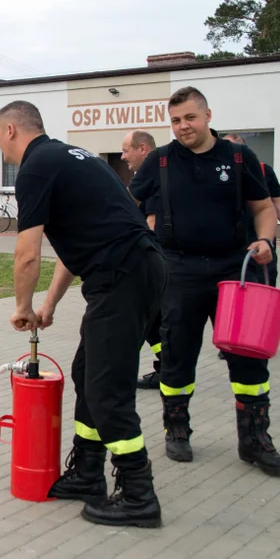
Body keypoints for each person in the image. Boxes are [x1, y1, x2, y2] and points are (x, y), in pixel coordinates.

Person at [2, 100, 167, 528]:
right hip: (136, 269)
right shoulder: (71, 156)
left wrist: (21, 307)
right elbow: (77, 245)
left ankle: (138, 495)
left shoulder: (36, 167)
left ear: (10, 131)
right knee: (86, 373)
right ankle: (89, 473)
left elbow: (27, 253)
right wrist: (50, 303)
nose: (1, 148)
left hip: (124, 275)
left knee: (107, 390)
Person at [130, 86, 280, 475]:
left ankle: (255, 441)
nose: (183, 126)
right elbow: (128, 205)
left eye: (190, 117)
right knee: (177, 355)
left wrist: (266, 239)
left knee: (248, 358)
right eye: (175, 121)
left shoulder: (239, 157)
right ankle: (177, 430)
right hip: (179, 270)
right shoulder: (161, 161)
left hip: (234, 271)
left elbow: (264, 206)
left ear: (207, 116)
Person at [224, 133, 280, 286]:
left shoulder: (262, 171)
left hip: (259, 243)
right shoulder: (216, 174)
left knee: (262, 287)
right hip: (226, 247)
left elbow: (278, 202)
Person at [121, 130, 163, 390]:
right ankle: (166, 365)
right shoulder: (148, 175)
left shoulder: (156, 176)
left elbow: (153, 221)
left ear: (143, 148)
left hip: (152, 262)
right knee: (153, 322)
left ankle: (168, 367)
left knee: (153, 320)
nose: (123, 156)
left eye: (126, 150)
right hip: (153, 262)